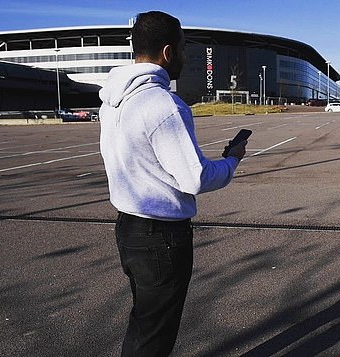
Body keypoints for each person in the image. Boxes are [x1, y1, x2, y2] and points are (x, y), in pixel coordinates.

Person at [98, 11, 247, 356]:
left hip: (128, 228)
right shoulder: (164, 104)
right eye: (182, 48)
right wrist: (232, 160)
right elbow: (195, 177)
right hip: (161, 237)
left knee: (143, 323)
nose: (184, 56)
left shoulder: (112, 101)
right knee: (156, 336)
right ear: (168, 53)